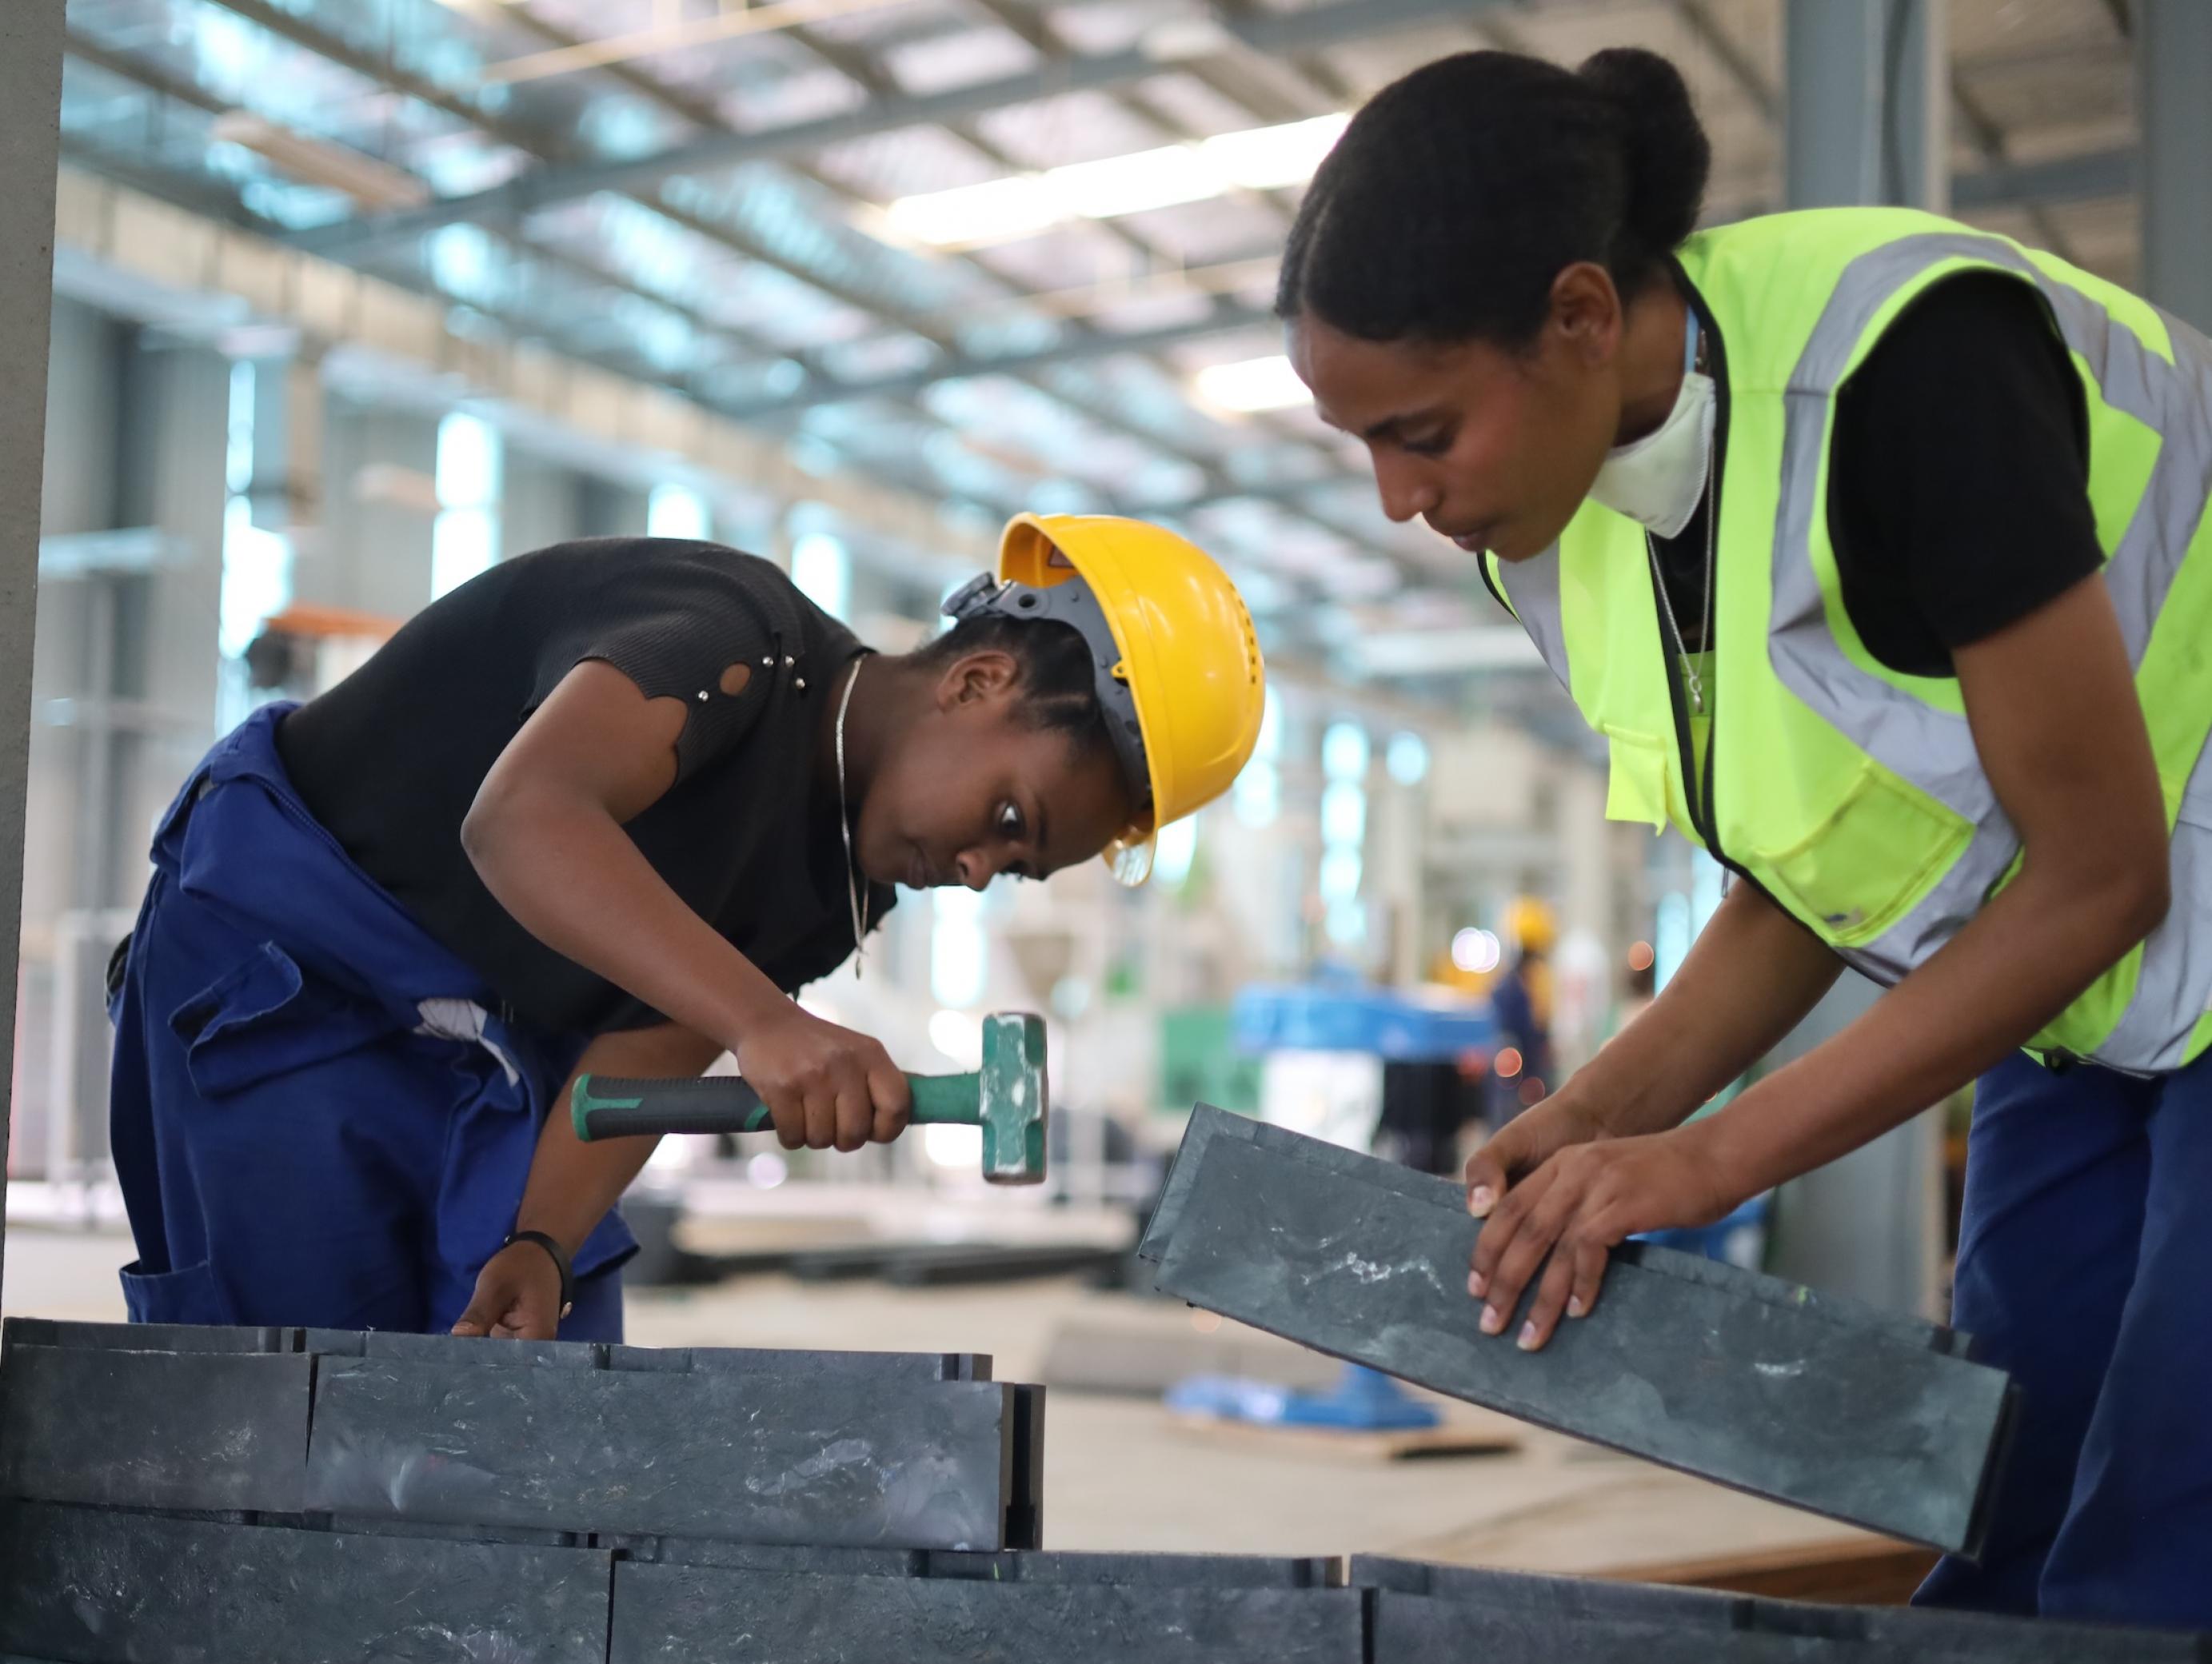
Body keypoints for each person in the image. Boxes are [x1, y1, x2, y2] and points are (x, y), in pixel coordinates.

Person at [1277, 46, 2212, 1630]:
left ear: (1580, 317)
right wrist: (1593, 1118)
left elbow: (2104, 868)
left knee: (2159, 1553)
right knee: (2000, 1517)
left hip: (2120, 910)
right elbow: (1806, 888)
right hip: (2093, 1000)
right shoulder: (1555, 543)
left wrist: (1702, 1158)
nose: (1394, 498)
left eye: (1422, 431)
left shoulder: (1906, 371)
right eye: (1365, 443)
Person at [106, 514, 1264, 1346]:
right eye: (1009, 817)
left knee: (531, 1354)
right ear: (977, 678)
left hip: (476, 1031)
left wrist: (540, 1244)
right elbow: (523, 819)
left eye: (1016, 865)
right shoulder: (732, 637)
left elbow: (649, 1043)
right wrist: (767, 1022)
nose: (974, 867)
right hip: (283, 958)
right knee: (303, 1368)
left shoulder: (836, 884)